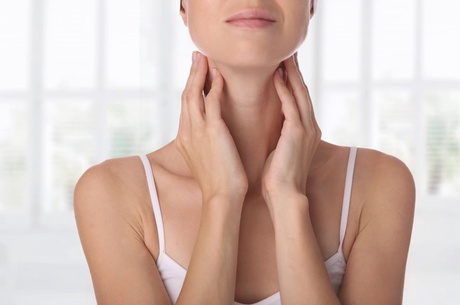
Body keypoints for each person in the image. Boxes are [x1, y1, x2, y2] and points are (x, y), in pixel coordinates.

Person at [74, 0, 415, 304]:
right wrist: (222, 198)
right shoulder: (111, 194)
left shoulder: (379, 185)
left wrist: (288, 201)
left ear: (311, 4)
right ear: (182, 6)